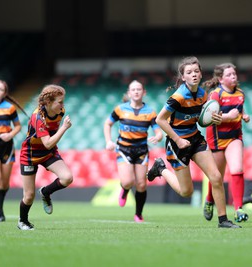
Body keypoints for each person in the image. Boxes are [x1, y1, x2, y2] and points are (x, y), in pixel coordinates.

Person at [146, 56, 240, 228]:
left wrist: (215, 119)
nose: (194, 75)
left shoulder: (203, 95)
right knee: (186, 191)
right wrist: (178, 140)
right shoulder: (178, 97)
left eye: (196, 71)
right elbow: (160, 120)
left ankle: (223, 220)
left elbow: (202, 120)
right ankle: (160, 168)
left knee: (216, 177)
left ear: (200, 73)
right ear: (183, 77)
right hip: (177, 144)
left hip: (195, 139)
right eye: (189, 72)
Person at [103, 80, 163, 223]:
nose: (136, 91)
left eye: (139, 89)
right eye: (133, 89)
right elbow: (108, 123)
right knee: (128, 181)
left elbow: (158, 131)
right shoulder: (120, 109)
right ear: (129, 93)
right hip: (124, 149)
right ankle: (124, 189)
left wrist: (158, 137)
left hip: (141, 151)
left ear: (144, 92)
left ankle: (138, 214)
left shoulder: (150, 112)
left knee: (142, 184)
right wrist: (108, 141)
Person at [18, 84, 73, 230]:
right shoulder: (38, 117)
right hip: (30, 154)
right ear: (48, 102)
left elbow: (49, 144)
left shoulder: (61, 111)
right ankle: (23, 221)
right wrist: (64, 128)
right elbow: (48, 142)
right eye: (60, 102)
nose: (63, 105)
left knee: (67, 178)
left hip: (48, 153)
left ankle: (45, 192)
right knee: (29, 196)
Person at [201, 63, 250, 223]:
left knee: (237, 169)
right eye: (229, 74)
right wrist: (228, 117)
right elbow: (208, 119)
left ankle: (238, 209)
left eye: (234, 74)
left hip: (234, 137)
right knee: (217, 177)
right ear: (221, 79)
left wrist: (244, 115)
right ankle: (209, 200)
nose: (233, 76)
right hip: (216, 139)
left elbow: (239, 109)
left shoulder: (241, 93)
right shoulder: (215, 95)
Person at [0, 79, 26, 222]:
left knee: (5, 183)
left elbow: (18, 126)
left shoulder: (10, 108)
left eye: (1, 89)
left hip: (7, 146)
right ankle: (0, 213)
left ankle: (0, 205)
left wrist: (10, 135)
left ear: (4, 93)